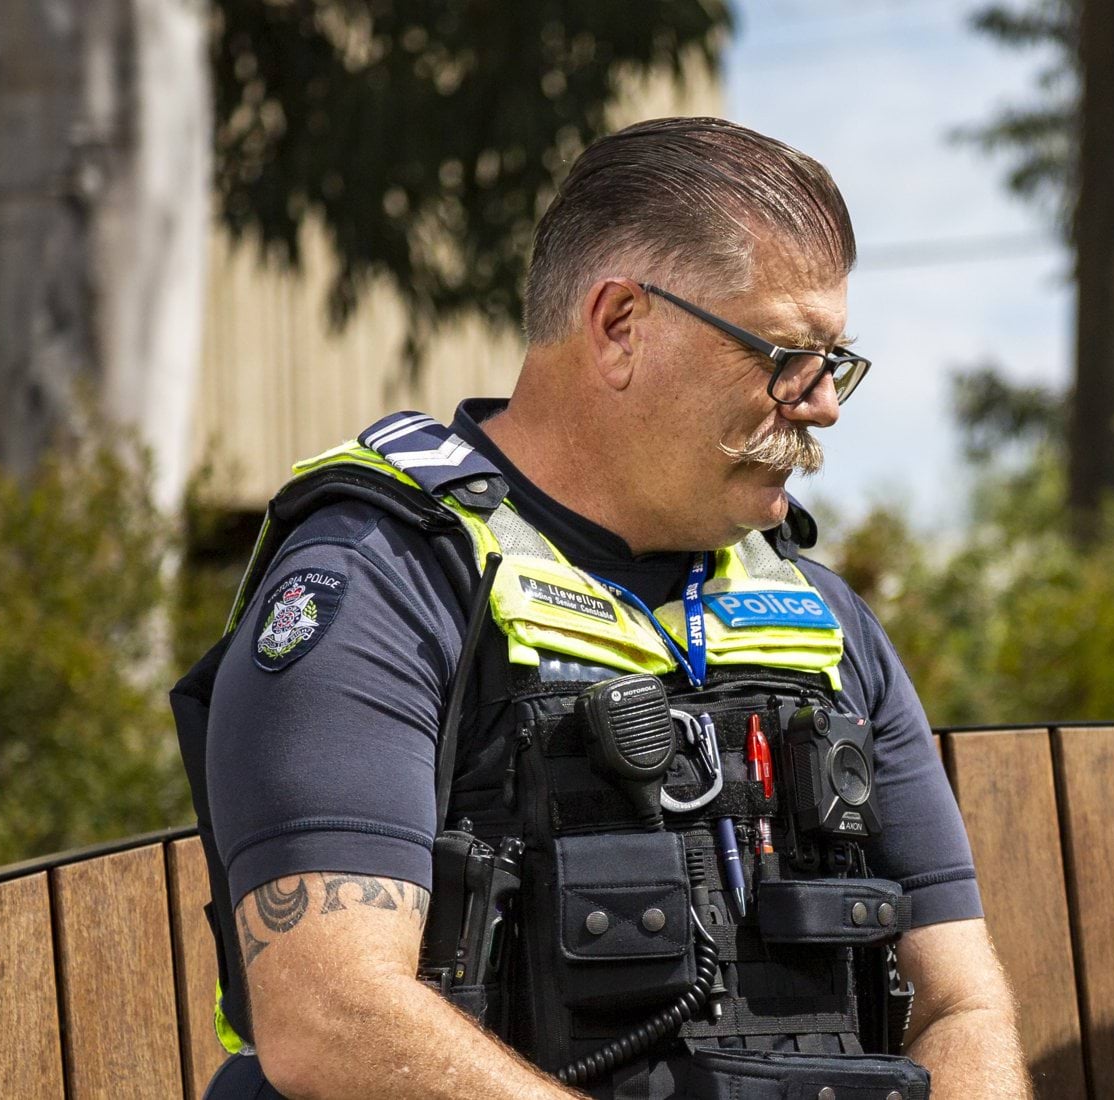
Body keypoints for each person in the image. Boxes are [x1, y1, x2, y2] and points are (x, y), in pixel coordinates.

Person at [171, 117, 1029, 1100]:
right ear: (621, 325)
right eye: (786, 355)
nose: (823, 404)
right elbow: (331, 1016)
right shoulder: (383, 576)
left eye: (834, 360)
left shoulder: (820, 618)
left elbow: (961, 1002)